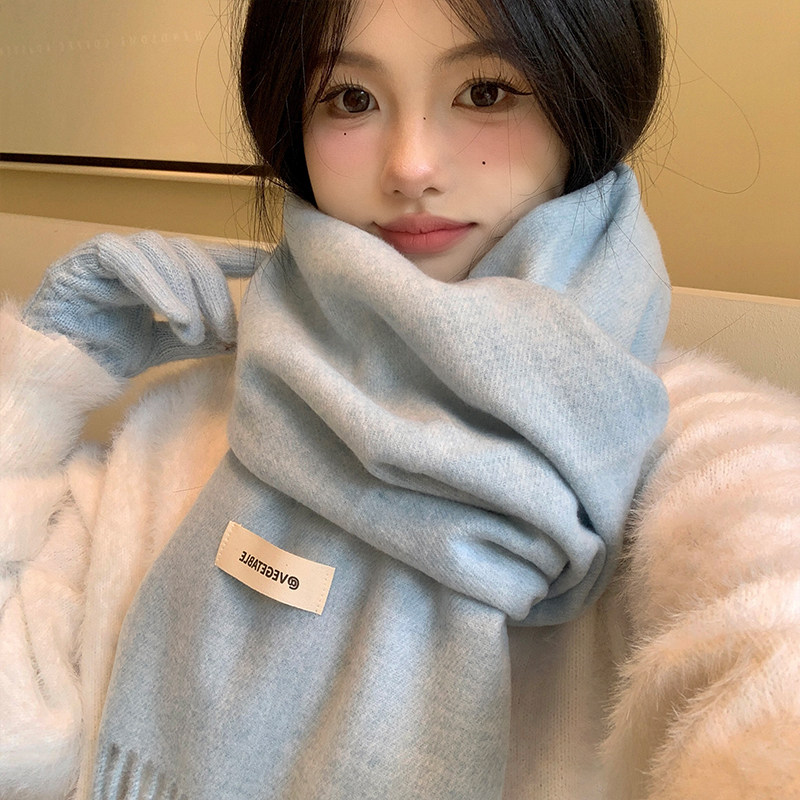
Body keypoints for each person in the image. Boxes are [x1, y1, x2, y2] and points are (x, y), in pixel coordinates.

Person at [1, 0, 799, 798]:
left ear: (582, 104)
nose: (411, 167)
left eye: (485, 92)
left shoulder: (682, 446)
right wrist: (36, 387)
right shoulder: (197, 422)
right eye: (351, 99)